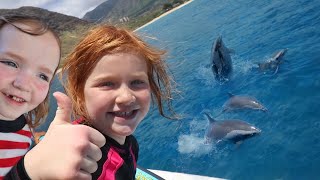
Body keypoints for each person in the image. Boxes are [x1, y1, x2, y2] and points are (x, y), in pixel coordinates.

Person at [60, 25, 177, 180]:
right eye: (107, 83)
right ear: (80, 94)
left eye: (137, 82)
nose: (126, 97)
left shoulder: (130, 143)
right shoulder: (80, 156)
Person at [1, 15, 105, 180]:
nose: (24, 84)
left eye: (42, 76)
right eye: (11, 63)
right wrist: (30, 169)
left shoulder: (22, 127)